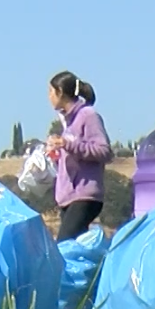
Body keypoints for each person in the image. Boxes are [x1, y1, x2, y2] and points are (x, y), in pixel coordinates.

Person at [46, 71, 114, 242]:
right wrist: (56, 154)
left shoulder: (88, 115)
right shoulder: (68, 123)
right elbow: (74, 154)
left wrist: (67, 145)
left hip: (84, 195)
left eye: (51, 91)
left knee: (63, 246)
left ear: (60, 93)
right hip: (68, 198)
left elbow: (104, 151)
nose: (49, 97)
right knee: (75, 249)